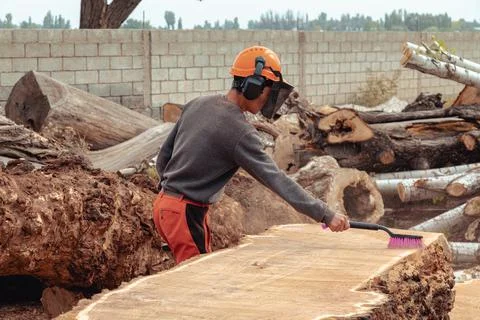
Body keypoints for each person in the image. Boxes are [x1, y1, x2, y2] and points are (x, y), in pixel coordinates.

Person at [153, 45, 350, 264]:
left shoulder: (199, 103)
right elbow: (277, 180)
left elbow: (164, 156)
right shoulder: (239, 131)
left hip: (167, 206)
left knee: (194, 273)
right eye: (270, 89)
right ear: (253, 86)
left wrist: (169, 195)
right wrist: (326, 215)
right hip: (185, 212)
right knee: (196, 283)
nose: (270, 98)